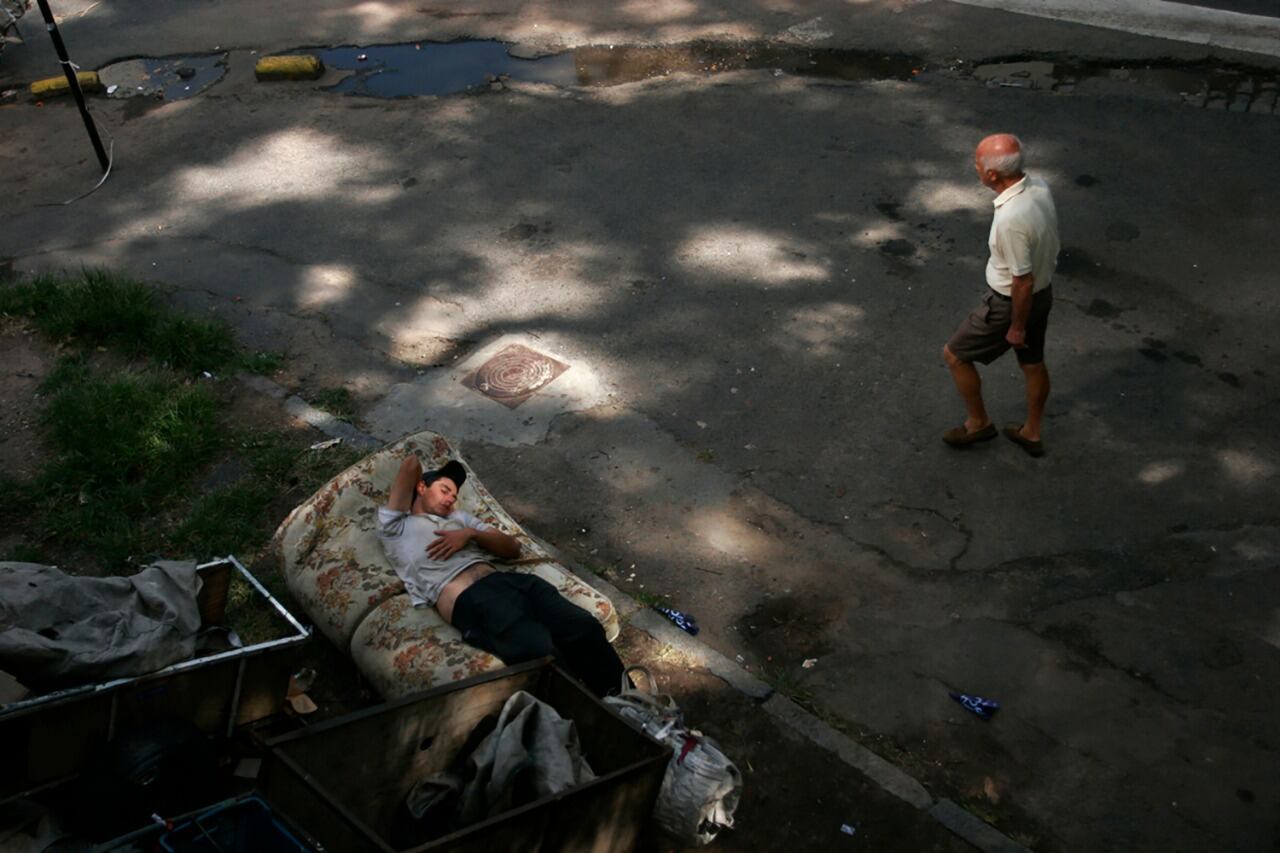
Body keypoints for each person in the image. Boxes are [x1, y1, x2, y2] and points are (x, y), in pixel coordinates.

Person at [378, 454, 625, 696]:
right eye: (445, 490)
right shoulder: (396, 526)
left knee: (585, 627)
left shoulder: (459, 519)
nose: (451, 499)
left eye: (454, 495)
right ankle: (598, 719)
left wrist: (469, 534)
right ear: (421, 486)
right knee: (544, 653)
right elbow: (411, 463)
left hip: (511, 583)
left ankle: (630, 705)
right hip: (472, 599)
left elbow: (512, 548)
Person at [942, 133, 1060, 458]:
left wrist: (1016, 326)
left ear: (992, 174)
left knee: (955, 355)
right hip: (1043, 295)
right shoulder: (1039, 186)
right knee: (1033, 364)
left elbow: (1020, 281)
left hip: (1011, 305)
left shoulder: (1010, 219)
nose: (975, 166)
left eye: (978, 163)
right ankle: (1031, 432)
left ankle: (978, 423)